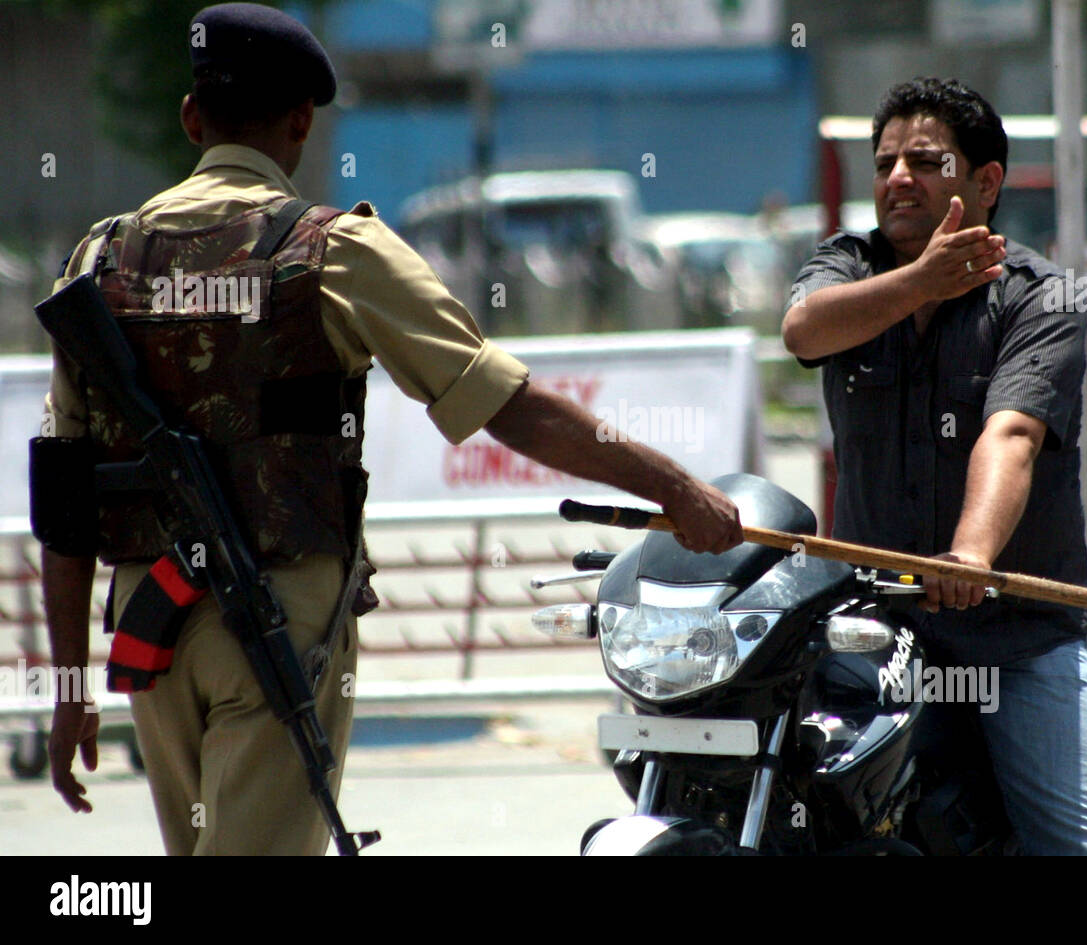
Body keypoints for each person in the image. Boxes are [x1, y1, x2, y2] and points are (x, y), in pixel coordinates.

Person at [35, 2, 742, 855]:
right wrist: (675, 488)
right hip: (274, 619)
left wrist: (69, 682)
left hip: (152, 625)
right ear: (302, 122)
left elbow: (64, 492)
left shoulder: (102, 260)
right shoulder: (335, 250)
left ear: (191, 117)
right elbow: (506, 405)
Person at [782, 77, 1087, 855]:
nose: (898, 177)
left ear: (985, 182)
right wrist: (921, 282)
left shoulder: (1042, 297)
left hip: (1018, 636)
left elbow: (1011, 436)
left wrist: (971, 553)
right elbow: (803, 332)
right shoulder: (849, 264)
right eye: (885, 162)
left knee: (1079, 846)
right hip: (876, 633)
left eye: (926, 161)